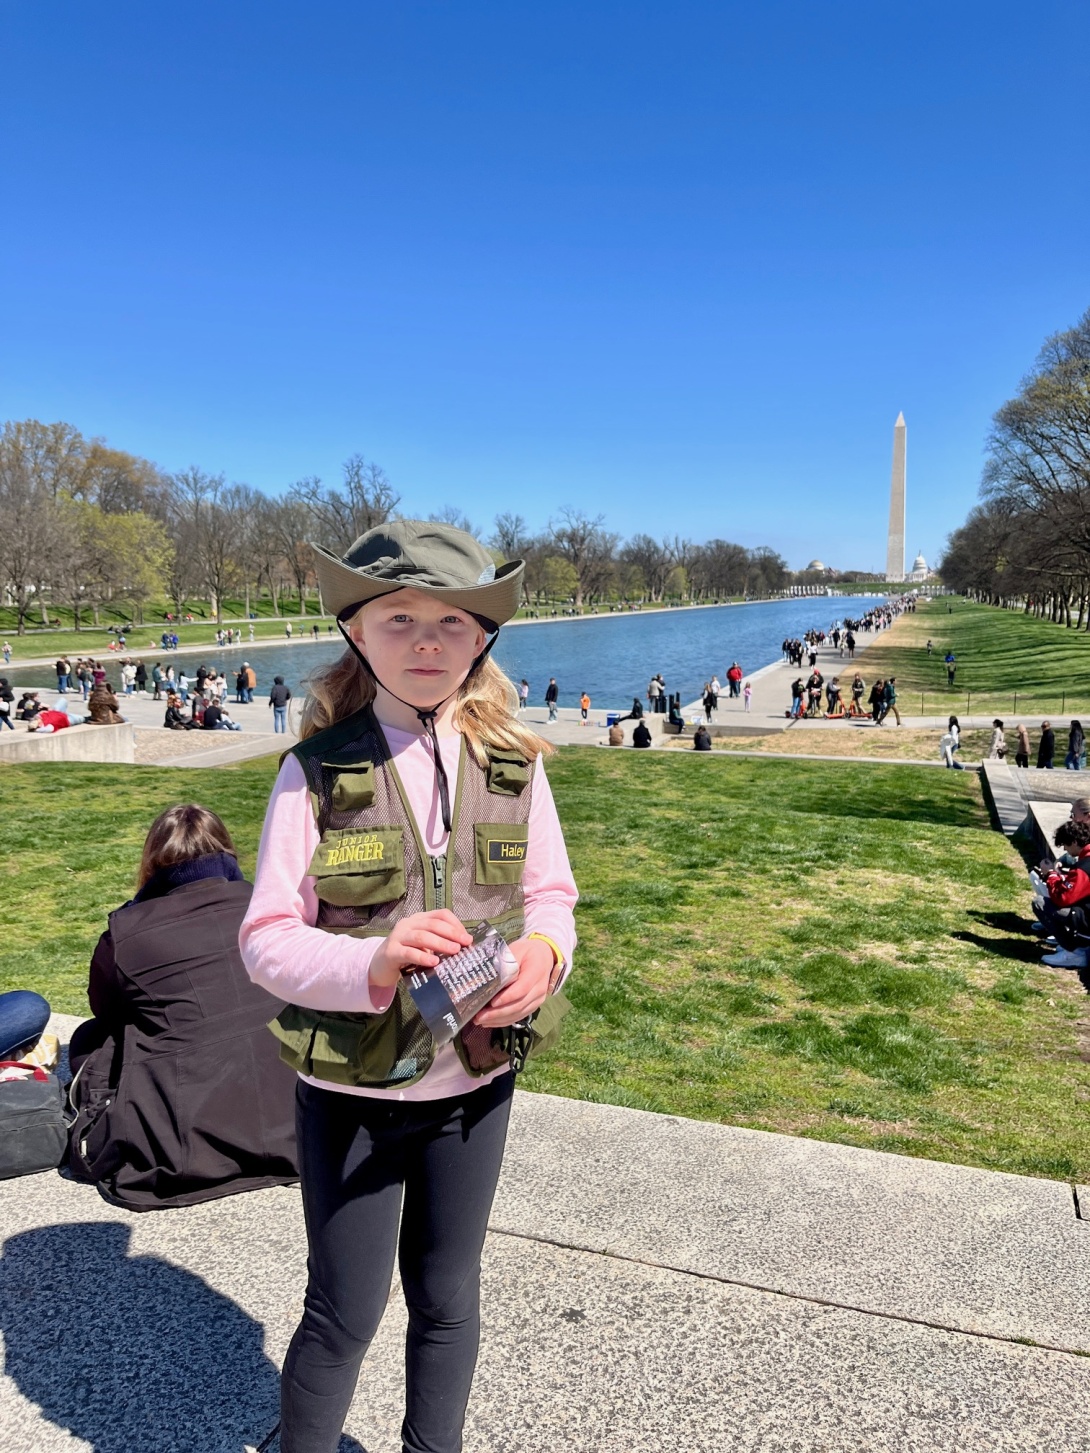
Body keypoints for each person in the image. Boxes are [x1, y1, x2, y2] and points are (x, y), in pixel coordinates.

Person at [238, 520, 577, 1453]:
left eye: (452, 622)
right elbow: (265, 938)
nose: (427, 641)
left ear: (483, 639)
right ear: (356, 631)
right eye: (399, 619)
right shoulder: (311, 772)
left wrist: (546, 958)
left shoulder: (519, 766)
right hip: (351, 1095)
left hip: (474, 1089)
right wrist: (372, 961)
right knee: (344, 1313)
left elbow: (553, 897)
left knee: (447, 1298)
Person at [66, 805, 298, 1209]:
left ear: (152, 861)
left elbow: (106, 1011)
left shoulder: (125, 932)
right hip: (296, 1119)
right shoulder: (275, 906)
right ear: (227, 852)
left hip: (181, 1148)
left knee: (90, 1038)